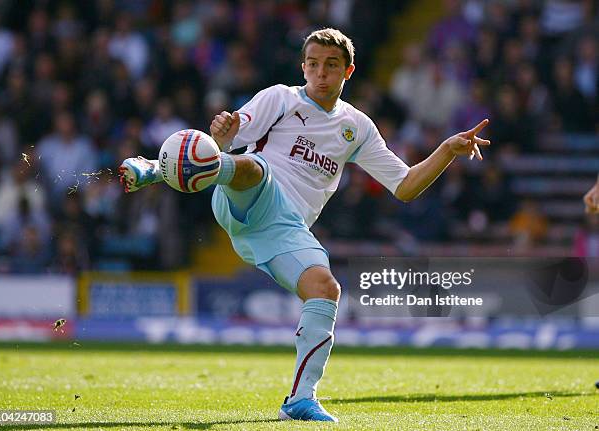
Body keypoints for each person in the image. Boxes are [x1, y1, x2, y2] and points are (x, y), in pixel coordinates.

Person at [119, 28, 490, 422]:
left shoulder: (357, 127)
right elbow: (227, 140)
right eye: (313, 64)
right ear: (304, 67)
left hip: (286, 231)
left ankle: (299, 399)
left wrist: (448, 150)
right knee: (253, 169)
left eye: (331, 66)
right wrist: (222, 133)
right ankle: (155, 170)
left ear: (348, 71)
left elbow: (405, 186)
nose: (321, 73)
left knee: (326, 288)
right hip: (247, 196)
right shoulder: (281, 98)